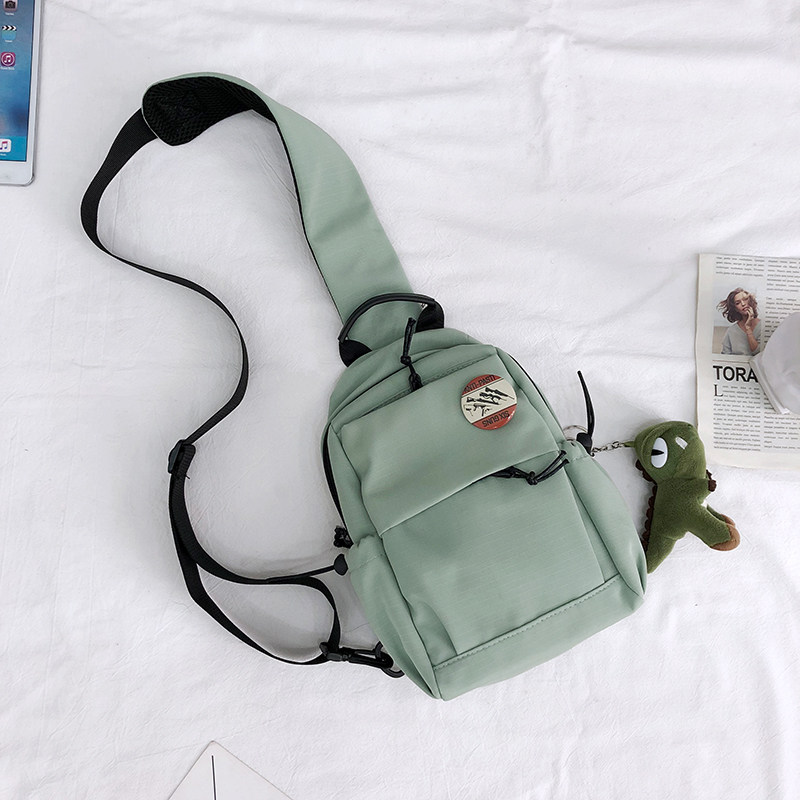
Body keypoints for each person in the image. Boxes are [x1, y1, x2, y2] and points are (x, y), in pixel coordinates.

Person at [716, 288, 761, 355]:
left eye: (745, 299)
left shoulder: (762, 326)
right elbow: (725, 355)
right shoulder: (731, 331)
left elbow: (757, 352)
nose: (743, 304)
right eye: (737, 303)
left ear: (751, 301)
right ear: (735, 309)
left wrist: (748, 328)